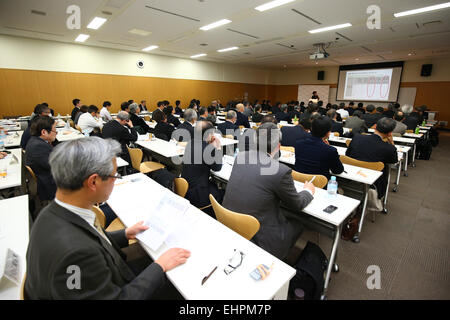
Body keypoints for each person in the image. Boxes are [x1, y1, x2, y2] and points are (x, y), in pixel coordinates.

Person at [25, 137, 190, 299]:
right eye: (114, 176)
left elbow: (90, 237)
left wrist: (125, 233)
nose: (115, 180)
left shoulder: (50, 212)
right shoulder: (77, 254)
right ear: (93, 182)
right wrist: (160, 265)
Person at [222, 122, 315, 260]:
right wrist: (308, 191)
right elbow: (297, 204)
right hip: (259, 235)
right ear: (278, 146)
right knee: (298, 224)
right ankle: (277, 262)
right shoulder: (280, 171)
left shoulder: (241, 156)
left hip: (229, 222)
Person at [346, 117, 398, 201]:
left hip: (351, 176)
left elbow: (347, 154)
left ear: (375, 126)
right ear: (389, 133)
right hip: (375, 183)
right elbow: (394, 161)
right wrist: (391, 142)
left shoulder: (357, 138)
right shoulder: (389, 148)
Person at [181, 121, 223, 210]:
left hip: (184, 188)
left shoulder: (190, 143)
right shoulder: (208, 149)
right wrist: (218, 148)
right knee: (223, 192)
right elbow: (217, 168)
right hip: (197, 193)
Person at [294, 116, 344, 180]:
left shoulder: (298, 143)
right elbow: (338, 171)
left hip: (299, 180)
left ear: (311, 129)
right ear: (328, 133)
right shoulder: (330, 150)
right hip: (319, 185)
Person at [25, 116, 58, 201]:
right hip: (50, 182)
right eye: (54, 130)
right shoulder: (38, 147)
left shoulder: (36, 141)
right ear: (44, 132)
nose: (56, 132)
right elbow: (57, 166)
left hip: (46, 175)